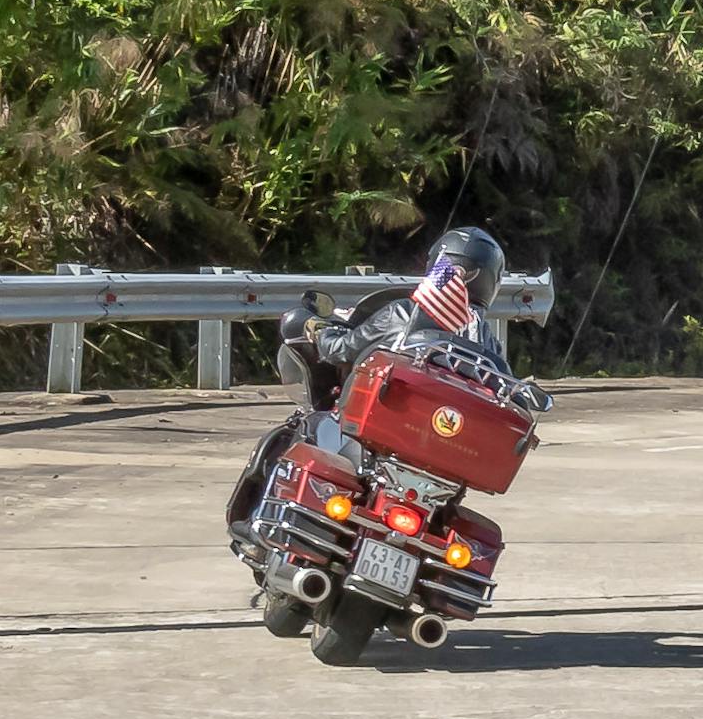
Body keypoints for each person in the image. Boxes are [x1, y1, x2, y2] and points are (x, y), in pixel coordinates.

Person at [223, 221, 533, 559]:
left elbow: (340, 349)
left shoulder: (405, 314)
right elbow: (510, 395)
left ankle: (258, 526)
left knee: (309, 426)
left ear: (439, 264)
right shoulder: (488, 349)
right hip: (442, 472)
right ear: (491, 280)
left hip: (379, 449)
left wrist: (317, 329)